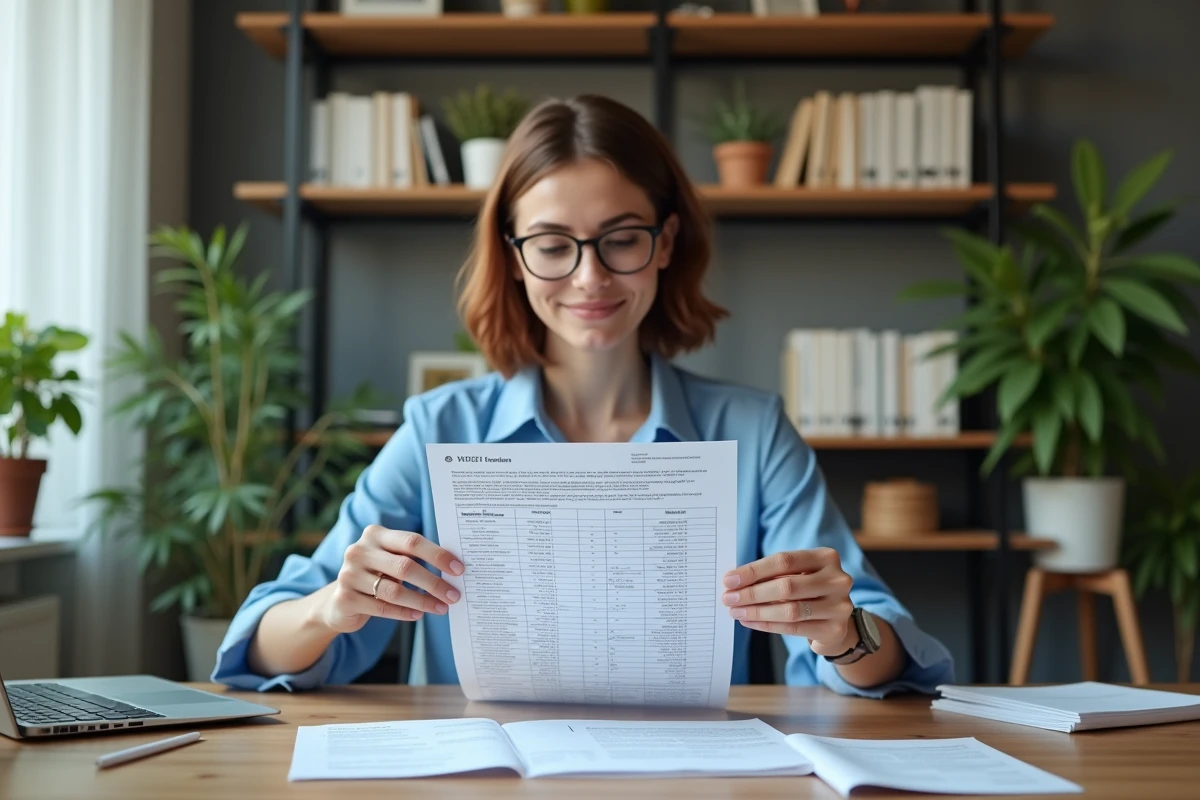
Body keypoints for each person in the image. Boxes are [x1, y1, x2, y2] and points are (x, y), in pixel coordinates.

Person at [212, 94, 954, 698]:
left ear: (666, 243)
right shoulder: (440, 427)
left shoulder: (752, 431)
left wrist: (842, 632)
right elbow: (261, 647)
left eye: (621, 238)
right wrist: (334, 606)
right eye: (552, 244)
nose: (590, 277)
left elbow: (886, 650)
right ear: (514, 256)